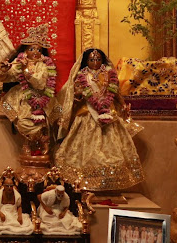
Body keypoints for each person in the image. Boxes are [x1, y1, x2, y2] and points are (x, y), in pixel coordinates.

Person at [53, 48, 144, 191]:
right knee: (83, 152)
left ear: (103, 60)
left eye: (98, 59)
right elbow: (75, 97)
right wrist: (78, 96)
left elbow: (116, 94)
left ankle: (108, 184)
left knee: (112, 151)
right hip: (87, 116)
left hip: (108, 115)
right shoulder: (81, 76)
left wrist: (123, 105)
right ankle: (84, 183)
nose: (95, 62)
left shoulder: (108, 74)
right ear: (86, 61)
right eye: (91, 59)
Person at [0, 24, 56, 155]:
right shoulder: (19, 62)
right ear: (25, 50)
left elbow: (40, 83)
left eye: (39, 50)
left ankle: (40, 141)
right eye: (32, 49)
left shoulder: (44, 65)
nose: (35, 52)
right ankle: (35, 140)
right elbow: (6, 78)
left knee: (41, 122)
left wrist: (26, 71)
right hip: (21, 96)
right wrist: (4, 70)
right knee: (22, 122)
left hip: (40, 97)